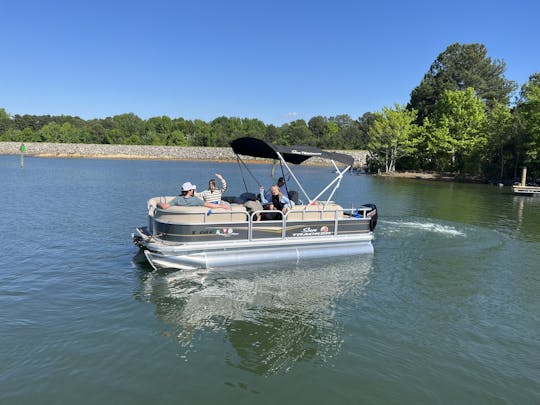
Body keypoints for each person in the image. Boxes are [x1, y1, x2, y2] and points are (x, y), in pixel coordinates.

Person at [157, 182, 230, 210]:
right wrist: (222, 206)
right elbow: (210, 205)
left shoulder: (177, 199)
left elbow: (164, 206)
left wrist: (158, 203)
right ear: (189, 191)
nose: (193, 190)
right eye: (192, 189)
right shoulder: (195, 200)